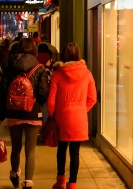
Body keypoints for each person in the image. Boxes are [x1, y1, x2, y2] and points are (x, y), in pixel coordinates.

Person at [0, 37, 49, 189]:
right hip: (33, 113)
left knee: (16, 147)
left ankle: (14, 173)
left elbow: (2, 92)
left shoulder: (9, 67)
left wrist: (0, 115)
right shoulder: (39, 68)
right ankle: (28, 182)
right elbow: (43, 93)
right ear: (34, 50)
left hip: (13, 112)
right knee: (30, 149)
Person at [47, 42, 97, 189]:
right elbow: (92, 98)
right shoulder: (87, 73)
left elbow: (51, 100)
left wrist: (52, 115)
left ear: (63, 56)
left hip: (62, 117)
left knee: (61, 149)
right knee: (75, 152)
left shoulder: (57, 74)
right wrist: (82, 109)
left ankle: (60, 180)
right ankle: (72, 184)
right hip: (79, 118)